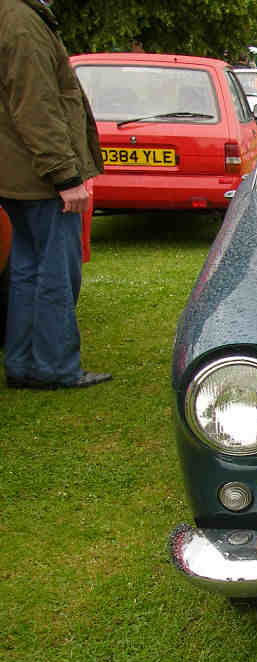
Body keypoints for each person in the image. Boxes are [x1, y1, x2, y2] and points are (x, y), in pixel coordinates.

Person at [0, 0, 111, 389]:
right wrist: (65, 176)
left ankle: (23, 363)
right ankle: (54, 366)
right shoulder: (21, 21)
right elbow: (36, 108)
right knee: (55, 274)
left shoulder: (17, 16)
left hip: (20, 173)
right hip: (39, 178)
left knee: (28, 271)